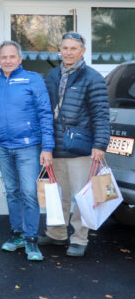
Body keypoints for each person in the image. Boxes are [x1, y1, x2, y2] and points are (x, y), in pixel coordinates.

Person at [40, 33, 110, 257]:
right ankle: (57, 233)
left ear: (83, 51)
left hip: (81, 147)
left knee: (83, 195)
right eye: (65, 48)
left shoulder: (92, 78)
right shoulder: (52, 76)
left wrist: (100, 144)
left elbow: (101, 115)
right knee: (58, 194)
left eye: (73, 48)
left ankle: (79, 237)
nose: (68, 52)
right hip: (56, 146)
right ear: (60, 50)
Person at [0, 41, 54, 262]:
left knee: (28, 192)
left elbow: (45, 113)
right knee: (12, 191)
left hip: (28, 147)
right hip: (3, 147)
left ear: (20, 58)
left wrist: (47, 147)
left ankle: (31, 239)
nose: (8, 60)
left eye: (12, 56)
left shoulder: (33, 79)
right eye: (3, 57)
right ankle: (16, 234)